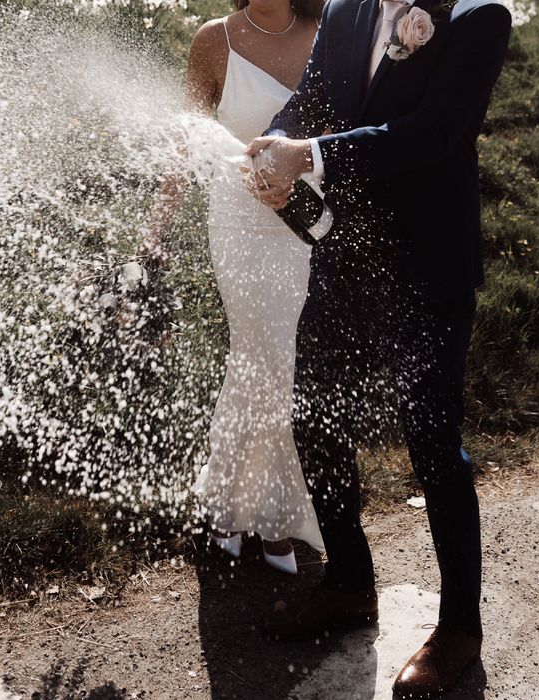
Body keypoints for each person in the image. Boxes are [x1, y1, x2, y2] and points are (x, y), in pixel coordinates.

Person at [244, 0, 511, 694]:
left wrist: (313, 155)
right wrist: (275, 146)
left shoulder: (477, 16)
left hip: (428, 273)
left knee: (432, 445)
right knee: (316, 420)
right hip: (344, 260)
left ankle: (458, 631)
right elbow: (311, 100)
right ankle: (351, 583)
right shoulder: (346, 7)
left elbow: (437, 132)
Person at [141, 0, 326, 575]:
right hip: (240, 227)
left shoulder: (329, 29)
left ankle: (227, 508)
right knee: (266, 357)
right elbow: (185, 137)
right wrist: (156, 231)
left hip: (308, 225)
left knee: (275, 366)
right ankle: (273, 523)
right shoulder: (213, 39)